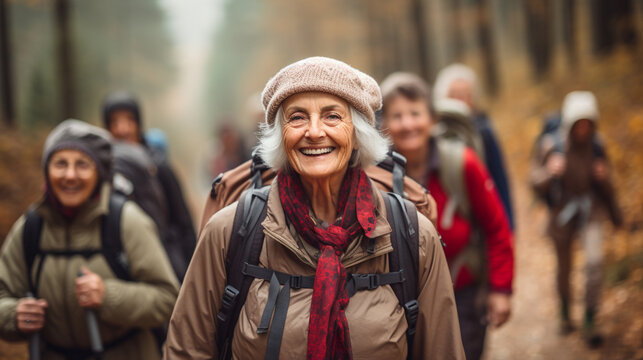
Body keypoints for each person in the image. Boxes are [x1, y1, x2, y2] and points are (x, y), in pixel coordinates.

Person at [164, 57, 465, 359]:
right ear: (281, 137)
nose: (314, 131)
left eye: (332, 116)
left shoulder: (413, 236)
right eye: (297, 118)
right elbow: (186, 351)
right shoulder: (229, 232)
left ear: (357, 134)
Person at [0, 119, 179, 359]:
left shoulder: (126, 221)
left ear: (99, 174)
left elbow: (167, 298)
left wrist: (108, 296)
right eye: (60, 164)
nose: (70, 175)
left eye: (82, 165)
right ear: (46, 171)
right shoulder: (31, 227)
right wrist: (14, 315)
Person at [379, 72, 514, 360]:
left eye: (415, 113)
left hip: (462, 294)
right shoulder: (375, 176)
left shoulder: (461, 163)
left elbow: (497, 228)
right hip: (397, 300)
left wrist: (501, 288)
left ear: (433, 119)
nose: (407, 124)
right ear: (384, 125)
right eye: (397, 116)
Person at [530, 91, 621, 346]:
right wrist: (549, 172)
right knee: (564, 268)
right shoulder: (551, 145)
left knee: (594, 263)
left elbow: (610, 186)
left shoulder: (597, 145)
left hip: (591, 210)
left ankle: (590, 317)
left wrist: (605, 179)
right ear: (569, 123)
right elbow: (534, 181)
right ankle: (565, 312)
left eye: (588, 123)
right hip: (561, 213)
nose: (583, 128)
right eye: (578, 123)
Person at [102, 92, 196, 282]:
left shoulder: (158, 167)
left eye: (129, 120)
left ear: (139, 124)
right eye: (115, 122)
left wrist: (193, 272)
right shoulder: (101, 171)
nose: (123, 129)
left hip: (166, 262)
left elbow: (183, 222)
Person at [433, 63, 515, 229]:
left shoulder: (484, 129)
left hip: (482, 207)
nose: (461, 100)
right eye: (455, 94)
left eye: (466, 94)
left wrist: (509, 224)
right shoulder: (434, 132)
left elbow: (498, 177)